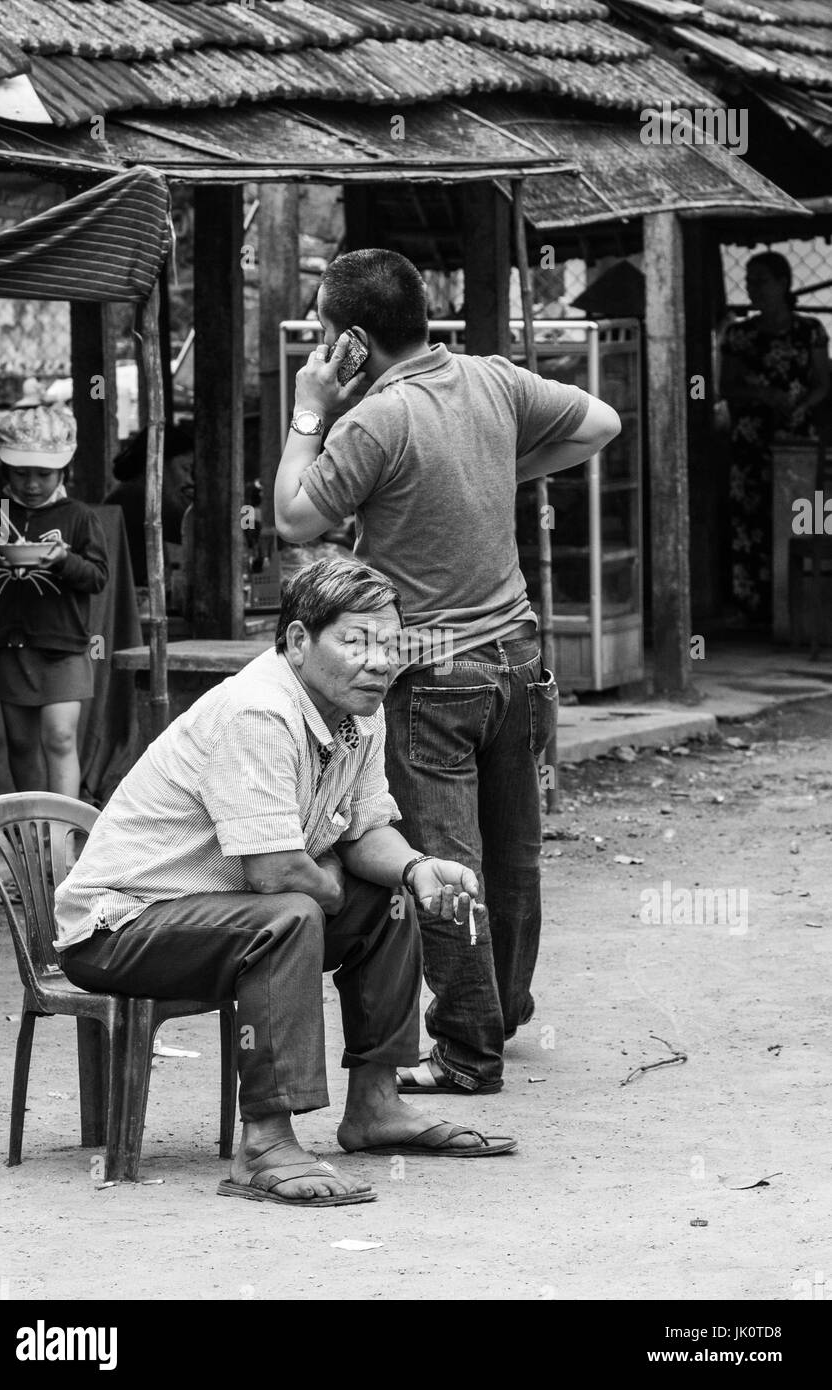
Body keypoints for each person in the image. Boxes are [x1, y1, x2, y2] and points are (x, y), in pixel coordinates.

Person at [54, 559, 516, 1208]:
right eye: (356, 641)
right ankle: (264, 1144)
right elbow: (271, 872)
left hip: (216, 918)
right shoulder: (260, 711)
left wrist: (414, 868)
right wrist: (328, 881)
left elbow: (363, 832)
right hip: (120, 928)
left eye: (391, 644)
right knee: (291, 913)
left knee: (386, 901)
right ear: (299, 641)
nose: (379, 661)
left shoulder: (362, 711)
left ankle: (375, 1107)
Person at [274, 248, 621, 1095]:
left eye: (327, 334)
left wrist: (307, 409)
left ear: (352, 341)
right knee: (512, 856)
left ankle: (468, 1051)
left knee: (446, 861)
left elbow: (291, 517)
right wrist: (505, 467)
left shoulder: (374, 423)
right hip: (520, 664)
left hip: (433, 676)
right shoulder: (494, 381)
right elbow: (601, 421)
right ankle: (504, 1006)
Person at [0, 403, 108, 798]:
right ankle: (34, 828)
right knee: (22, 744)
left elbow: (97, 577)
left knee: (61, 737)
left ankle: (62, 826)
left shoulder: (79, 517)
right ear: (4, 470)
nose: (31, 484)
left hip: (61, 645)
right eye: (20, 473)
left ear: (64, 471)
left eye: (43, 474)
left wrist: (64, 559)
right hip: (8, 646)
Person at [720, 251, 830, 623]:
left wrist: (799, 406)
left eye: (760, 281)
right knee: (748, 520)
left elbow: (823, 384)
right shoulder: (738, 334)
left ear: (783, 283)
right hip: (751, 440)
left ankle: (800, 609)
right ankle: (754, 609)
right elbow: (726, 387)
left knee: (801, 515)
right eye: (748, 282)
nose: (752, 289)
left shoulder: (810, 330)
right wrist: (764, 395)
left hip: (797, 438)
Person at [102, 422, 194, 587]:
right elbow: (194, 530)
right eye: (185, 469)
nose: (188, 480)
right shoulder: (137, 497)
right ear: (159, 465)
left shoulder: (130, 492)